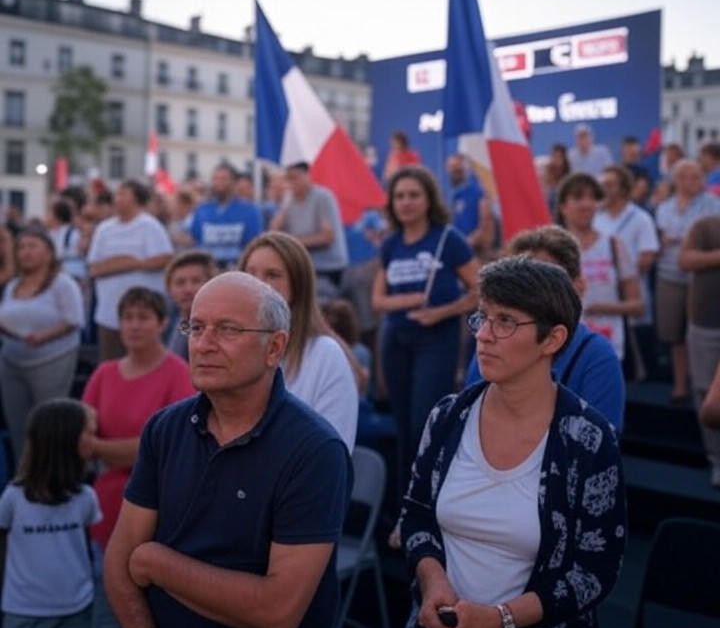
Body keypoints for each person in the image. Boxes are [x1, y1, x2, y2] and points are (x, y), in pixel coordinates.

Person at [104, 272, 352, 628]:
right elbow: (119, 563)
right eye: (196, 327)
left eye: (228, 329)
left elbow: (278, 613)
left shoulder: (315, 450)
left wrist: (156, 562)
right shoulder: (165, 430)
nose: (203, 343)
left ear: (275, 347)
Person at [386, 257, 626, 628]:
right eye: (482, 317)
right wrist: (432, 578)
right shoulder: (448, 418)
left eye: (505, 321)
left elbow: (596, 568)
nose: (482, 333)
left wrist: (502, 621)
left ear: (552, 339)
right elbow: (416, 514)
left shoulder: (587, 439)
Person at [82, 287, 195, 628]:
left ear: (162, 322)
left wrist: (104, 448)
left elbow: (167, 450)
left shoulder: (177, 373)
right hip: (106, 516)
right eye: (126, 316)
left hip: (162, 525)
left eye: (143, 316)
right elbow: (81, 441)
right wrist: (119, 448)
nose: (133, 324)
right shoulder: (103, 373)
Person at [372, 166, 478, 496]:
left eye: (414, 195)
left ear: (429, 199)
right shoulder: (390, 245)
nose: (406, 202)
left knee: (425, 424)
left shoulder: (449, 239)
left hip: (436, 340)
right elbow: (378, 300)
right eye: (400, 196)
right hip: (396, 341)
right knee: (403, 427)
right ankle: (406, 505)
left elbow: (480, 291)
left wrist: (441, 312)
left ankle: (430, 501)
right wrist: (408, 299)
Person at [466, 225, 625, 431]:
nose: (484, 334)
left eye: (543, 279)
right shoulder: (491, 343)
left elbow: (598, 446)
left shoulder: (597, 357)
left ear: (577, 287)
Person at [0, 398, 101, 628]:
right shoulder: (13, 498)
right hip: (25, 612)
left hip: (76, 610)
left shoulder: (86, 497)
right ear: (63, 440)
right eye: (87, 432)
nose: (94, 439)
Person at [240, 231, 359, 450]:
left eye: (272, 275)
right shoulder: (230, 353)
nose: (258, 284)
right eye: (250, 274)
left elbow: (332, 454)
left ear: (297, 286)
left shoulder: (325, 355)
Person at [0, 228, 85, 463]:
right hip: (12, 362)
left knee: (47, 426)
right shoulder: (12, 285)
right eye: (21, 247)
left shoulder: (63, 283)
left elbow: (74, 319)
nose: (25, 252)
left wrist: (43, 336)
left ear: (49, 252)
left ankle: (49, 478)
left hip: (52, 361)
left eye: (32, 246)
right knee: (18, 426)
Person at [557, 172, 643, 362]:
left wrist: (599, 307)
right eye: (578, 197)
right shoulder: (552, 248)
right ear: (563, 206)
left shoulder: (613, 244)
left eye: (592, 198)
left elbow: (637, 305)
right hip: (563, 350)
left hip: (608, 348)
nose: (587, 204)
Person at [655, 159, 720, 401]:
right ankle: (680, 385)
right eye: (688, 177)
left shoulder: (713, 205)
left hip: (701, 280)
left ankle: (703, 385)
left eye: (697, 176)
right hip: (669, 275)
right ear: (677, 180)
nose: (693, 182)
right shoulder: (664, 207)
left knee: (702, 334)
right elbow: (662, 239)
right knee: (675, 335)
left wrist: (678, 240)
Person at [87, 179, 173, 361]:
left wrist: (133, 264)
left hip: (144, 314)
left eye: (122, 193)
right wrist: (124, 262)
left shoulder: (150, 226)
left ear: (136, 198)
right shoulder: (104, 229)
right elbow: (93, 267)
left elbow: (164, 258)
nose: (116, 198)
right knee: (110, 364)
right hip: (109, 314)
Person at [595, 165, 660, 378]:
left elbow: (647, 256)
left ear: (623, 187)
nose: (605, 189)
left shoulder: (640, 218)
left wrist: (621, 276)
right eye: (602, 184)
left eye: (610, 184)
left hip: (630, 295)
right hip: (600, 298)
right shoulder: (596, 218)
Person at [679, 215, 720, 486]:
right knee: (705, 390)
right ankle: (717, 459)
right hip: (706, 322)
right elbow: (685, 261)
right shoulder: (706, 225)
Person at [270, 162, 348, 292]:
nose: (291, 183)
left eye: (295, 177)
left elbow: (327, 237)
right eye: (288, 179)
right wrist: (284, 205)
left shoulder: (323, 197)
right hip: (301, 267)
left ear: (308, 175)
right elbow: (274, 233)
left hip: (326, 267)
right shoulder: (290, 202)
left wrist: (292, 242)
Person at [190, 163, 262, 268]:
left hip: (237, 269)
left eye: (223, 179)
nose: (218, 183)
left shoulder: (249, 210)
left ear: (234, 182)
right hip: (208, 270)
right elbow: (195, 239)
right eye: (215, 178)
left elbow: (253, 244)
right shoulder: (202, 210)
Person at [165, 250, 217, 361]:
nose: (188, 290)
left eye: (196, 281)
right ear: (169, 290)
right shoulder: (162, 327)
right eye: (180, 283)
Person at [446, 154, 493, 255]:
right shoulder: (455, 195)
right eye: (451, 169)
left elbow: (486, 222)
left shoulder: (478, 191)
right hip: (459, 250)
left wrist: (468, 242)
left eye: (458, 169)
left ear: (466, 168)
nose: (454, 173)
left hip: (475, 252)